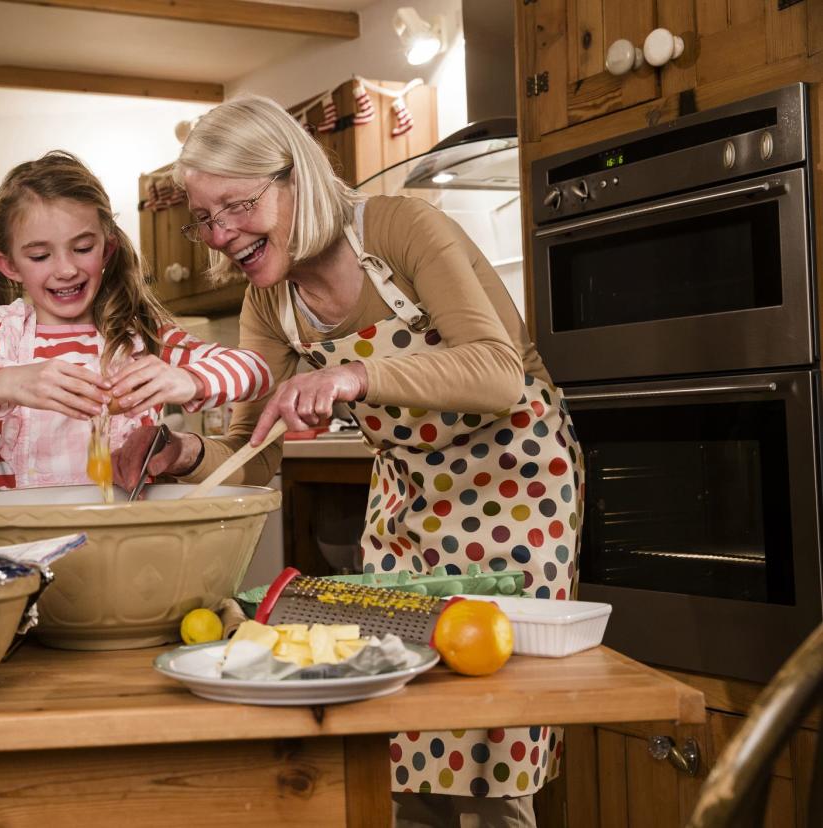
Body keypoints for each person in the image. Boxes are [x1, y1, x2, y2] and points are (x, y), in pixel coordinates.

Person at [112, 96, 583, 827]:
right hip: (408, 498)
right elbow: (251, 452)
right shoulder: (272, 303)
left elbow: (496, 375)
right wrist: (184, 453)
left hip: (515, 483)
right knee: (391, 717)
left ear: (292, 176)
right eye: (204, 218)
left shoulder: (400, 229)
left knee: (491, 727)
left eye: (235, 207)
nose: (220, 236)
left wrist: (354, 375)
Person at [0, 151, 271, 490]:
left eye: (83, 248)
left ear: (107, 249)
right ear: (10, 266)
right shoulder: (1, 336)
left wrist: (189, 379)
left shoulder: (138, 333)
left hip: (123, 536)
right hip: (26, 541)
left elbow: (256, 372)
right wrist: (3, 383)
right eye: (40, 255)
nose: (66, 269)